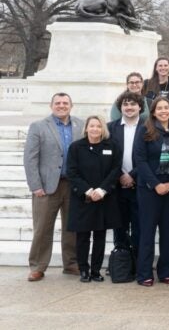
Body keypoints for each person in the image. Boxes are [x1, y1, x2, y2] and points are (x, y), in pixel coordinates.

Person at [24, 92, 84, 282]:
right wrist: (35, 185)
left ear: (71, 106)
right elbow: (30, 158)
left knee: (71, 227)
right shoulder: (39, 126)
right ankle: (37, 266)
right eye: (57, 103)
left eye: (65, 103)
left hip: (72, 185)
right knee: (42, 228)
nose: (61, 106)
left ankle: (71, 263)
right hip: (46, 186)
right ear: (51, 106)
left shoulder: (81, 125)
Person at [135, 97, 169, 286]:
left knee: (168, 233)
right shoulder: (145, 130)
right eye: (160, 108)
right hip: (149, 190)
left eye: (167, 108)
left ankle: (166, 272)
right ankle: (144, 273)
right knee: (147, 233)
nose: (164, 111)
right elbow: (139, 160)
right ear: (154, 111)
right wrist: (156, 184)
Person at [66, 116, 122, 282]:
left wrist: (102, 190)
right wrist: (88, 191)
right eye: (92, 126)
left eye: (98, 126)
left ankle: (96, 270)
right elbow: (72, 172)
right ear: (86, 128)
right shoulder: (76, 147)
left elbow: (115, 170)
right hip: (83, 199)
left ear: (103, 129)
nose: (95, 129)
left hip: (104, 198)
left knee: (100, 236)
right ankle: (83, 269)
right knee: (82, 237)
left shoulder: (111, 146)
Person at [108, 91, 147, 269]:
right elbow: (106, 159)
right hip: (117, 185)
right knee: (119, 227)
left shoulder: (148, 127)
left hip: (140, 185)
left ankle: (138, 263)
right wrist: (120, 176)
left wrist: (132, 175)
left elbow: (150, 158)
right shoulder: (110, 128)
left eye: (133, 104)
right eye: (125, 104)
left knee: (140, 227)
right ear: (120, 108)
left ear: (140, 106)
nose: (129, 107)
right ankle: (121, 264)